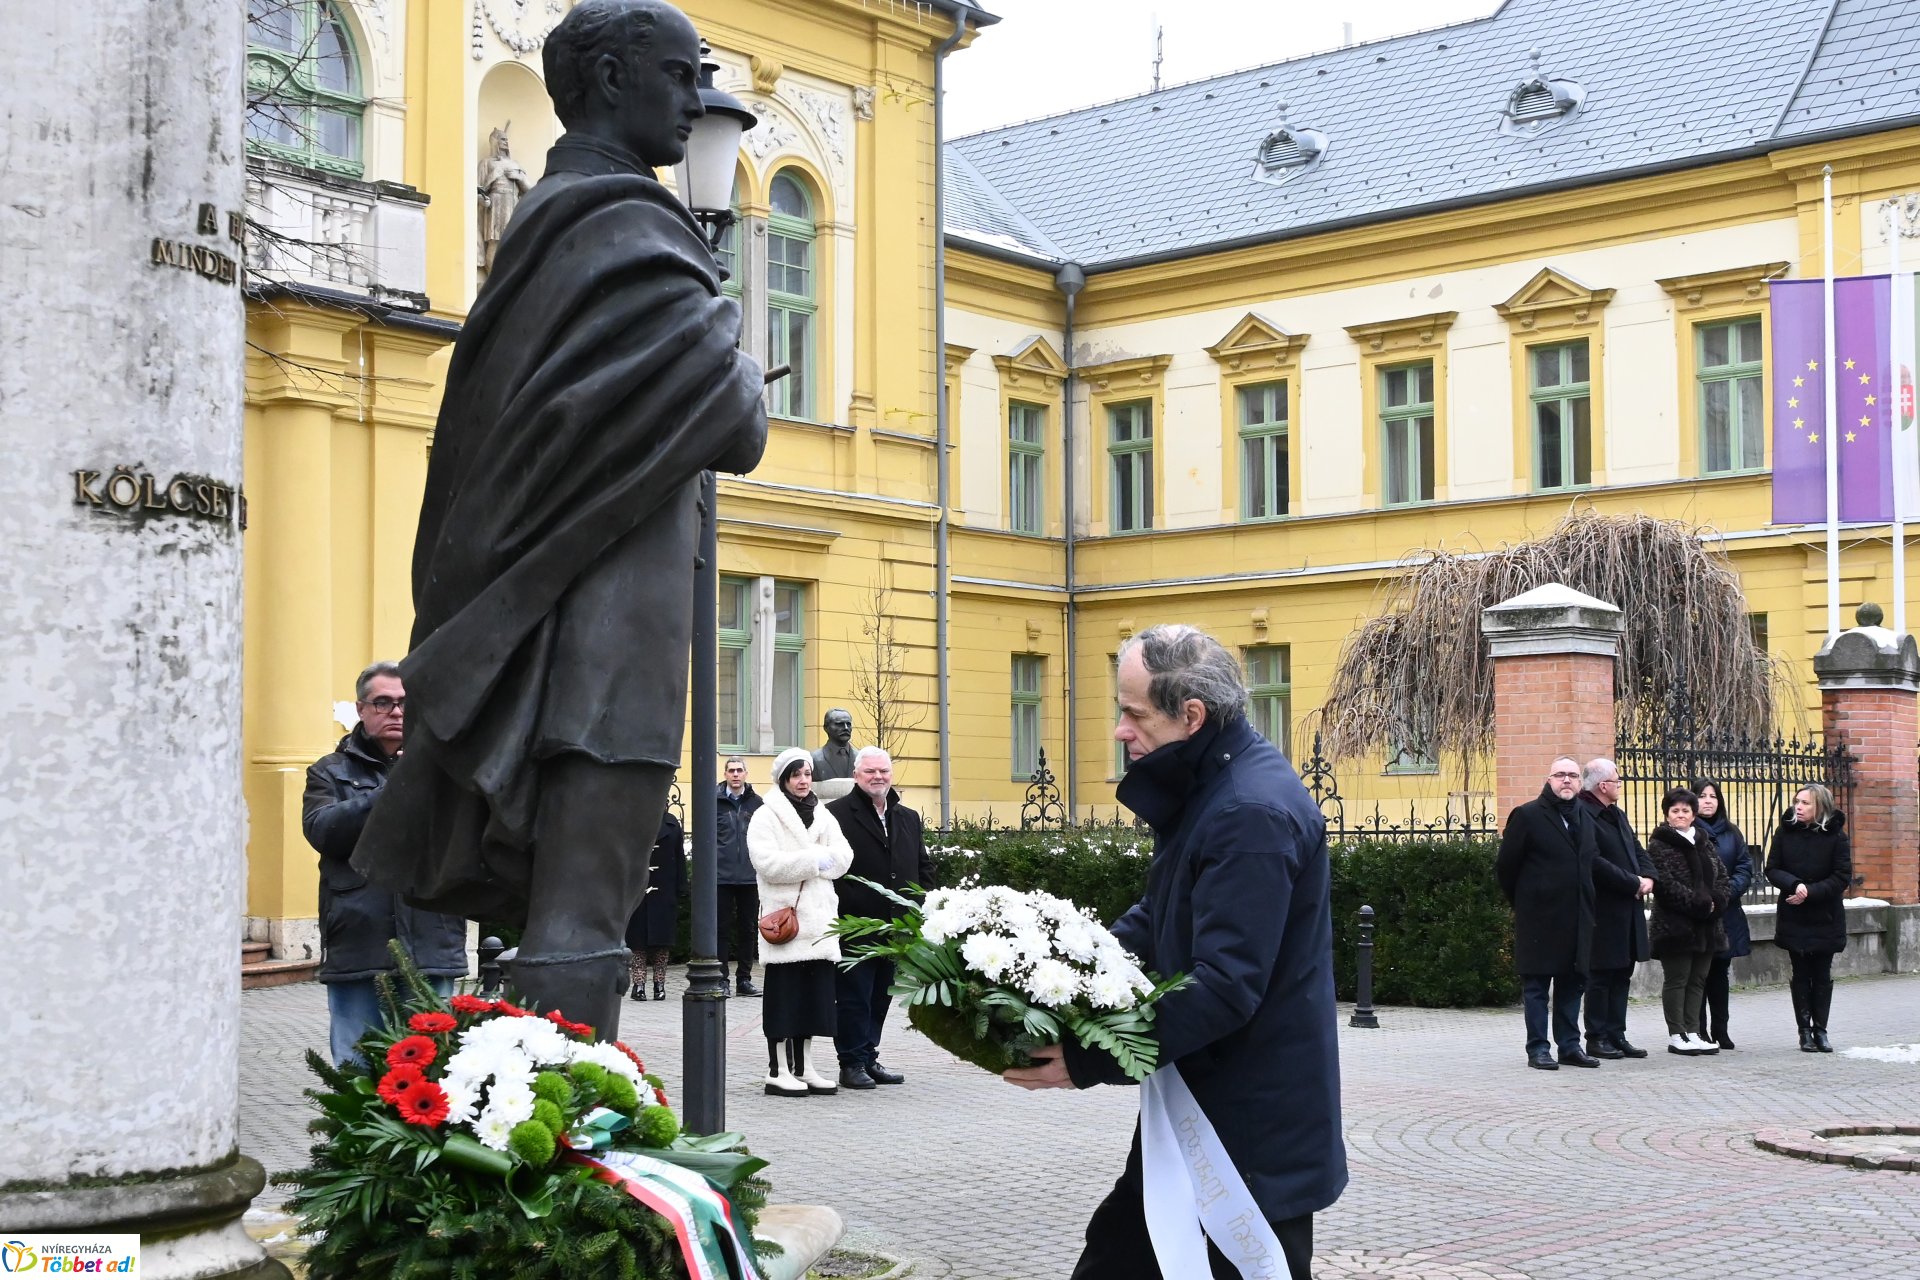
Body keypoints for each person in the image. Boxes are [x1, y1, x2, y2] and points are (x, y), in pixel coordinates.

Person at [349, 0, 768, 1041]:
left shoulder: (555, 218)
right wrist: (733, 362)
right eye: (680, 75)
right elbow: (734, 410)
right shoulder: (617, 221)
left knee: (574, 905)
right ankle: (567, 1163)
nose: (695, 99)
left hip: (570, 613)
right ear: (614, 79)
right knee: (587, 907)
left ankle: (542, 1141)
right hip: (607, 623)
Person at [1004, 624, 1345, 1280]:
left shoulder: (1249, 812)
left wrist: (1084, 1056)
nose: (1120, 731)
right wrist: (1059, 972)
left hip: (1245, 1140)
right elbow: (1160, 919)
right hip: (1201, 1117)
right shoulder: (1216, 787)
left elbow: (1222, 987)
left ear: (1191, 715)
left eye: (1133, 713)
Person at [303, 662, 468, 1065]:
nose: (396, 712)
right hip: (360, 943)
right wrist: (396, 789)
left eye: (404, 704)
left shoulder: (445, 772)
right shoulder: (330, 771)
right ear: (361, 709)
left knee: (431, 1071)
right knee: (355, 1067)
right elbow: (323, 831)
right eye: (383, 702)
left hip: (431, 938)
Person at [748, 749, 854, 1097]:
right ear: (783, 779)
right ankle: (777, 1070)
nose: (804, 780)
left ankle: (804, 1067)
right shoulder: (766, 815)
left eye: (807, 773)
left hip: (819, 924)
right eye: (796, 774)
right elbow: (767, 864)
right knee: (784, 1000)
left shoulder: (822, 813)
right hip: (786, 925)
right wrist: (813, 860)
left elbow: (843, 856)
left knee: (812, 1000)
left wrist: (825, 860)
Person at [826, 746, 932, 1089]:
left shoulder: (907, 817)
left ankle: (869, 1055)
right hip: (855, 922)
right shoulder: (836, 814)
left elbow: (922, 865)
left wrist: (920, 905)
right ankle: (851, 1062)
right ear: (857, 776)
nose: (878, 777)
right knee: (854, 996)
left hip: (897, 926)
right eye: (870, 771)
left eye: (883, 771)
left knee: (881, 995)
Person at [1495, 756, 1600, 1070]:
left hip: (1577, 916)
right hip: (1539, 918)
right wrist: (1526, 902)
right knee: (1537, 987)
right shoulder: (1527, 815)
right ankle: (1538, 1049)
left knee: (1572, 984)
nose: (1566, 780)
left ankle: (1569, 1046)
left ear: (1580, 782)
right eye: (1560, 775)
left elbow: (1590, 862)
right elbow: (1506, 867)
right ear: (1549, 780)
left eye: (1572, 775)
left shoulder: (1584, 815)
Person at [1766, 783, 1853, 1052]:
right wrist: (1795, 885)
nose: (1798, 807)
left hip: (1825, 914)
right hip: (1794, 913)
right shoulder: (1785, 832)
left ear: (1821, 807)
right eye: (1797, 802)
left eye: (1805, 803)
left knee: (1822, 973)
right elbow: (1771, 868)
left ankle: (1821, 1030)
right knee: (1801, 971)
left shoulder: (1837, 837)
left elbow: (1842, 877)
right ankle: (1804, 1031)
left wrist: (1811, 891)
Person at [1577, 758, 1654, 1059]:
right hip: (1604, 909)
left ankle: (1616, 1033)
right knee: (1601, 975)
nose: (1620, 786)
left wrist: (1648, 876)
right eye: (1618, 781)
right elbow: (1594, 862)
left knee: (1623, 972)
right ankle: (1596, 1037)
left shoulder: (1615, 813)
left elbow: (1636, 847)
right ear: (1603, 785)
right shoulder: (1585, 814)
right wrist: (1632, 882)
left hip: (1628, 907)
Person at [1645, 787, 1729, 1056]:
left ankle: (1693, 1031)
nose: (1680, 815)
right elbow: (1666, 886)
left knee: (1698, 979)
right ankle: (1676, 1034)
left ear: (1694, 815)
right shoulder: (1658, 844)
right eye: (1675, 811)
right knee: (1677, 978)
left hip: (1707, 926)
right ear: (1667, 815)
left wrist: (1716, 901)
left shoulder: (1705, 842)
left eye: (1685, 811)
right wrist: (1700, 904)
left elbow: (1723, 878)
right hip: (1675, 926)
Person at [1692, 778, 1752, 1049]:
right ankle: (1698, 1031)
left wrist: (1726, 895)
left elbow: (1744, 867)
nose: (1708, 800)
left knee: (1720, 974)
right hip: (1699, 915)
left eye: (1713, 796)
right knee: (1698, 975)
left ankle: (1721, 1030)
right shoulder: (1687, 830)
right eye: (1702, 795)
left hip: (1726, 914)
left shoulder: (1731, 832)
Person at [715, 756, 764, 996]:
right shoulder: (712, 801)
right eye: (731, 770)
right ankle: (721, 979)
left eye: (739, 770)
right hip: (720, 877)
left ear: (746, 774)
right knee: (720, 930)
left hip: (750, 877)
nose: (735, 774)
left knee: (747, 930)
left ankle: (744, 979)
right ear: (725, 774)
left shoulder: (757, 804)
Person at [625, 809, 685, 1002]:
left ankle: (660, 985)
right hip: (637, 889)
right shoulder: (633, 821)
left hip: (664, 889)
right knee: (637, 941)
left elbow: (680, 857)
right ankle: (638, 984)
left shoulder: (671, 824)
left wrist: (681, 887)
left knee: (662, 941)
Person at [811, 708, 856, 783]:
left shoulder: (861, 758)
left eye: (848, 724)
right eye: (839, 724)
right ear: (826, 728)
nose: (846, 728)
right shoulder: (814, 758)